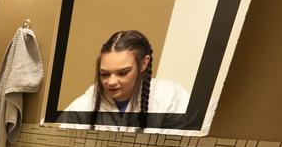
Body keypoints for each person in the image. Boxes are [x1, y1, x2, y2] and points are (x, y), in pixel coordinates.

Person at [59, 30, 190, 130]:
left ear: (144, 63)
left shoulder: (170, 97)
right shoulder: (84, 105)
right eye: (104, 74)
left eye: (123, 73)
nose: (111, 82)